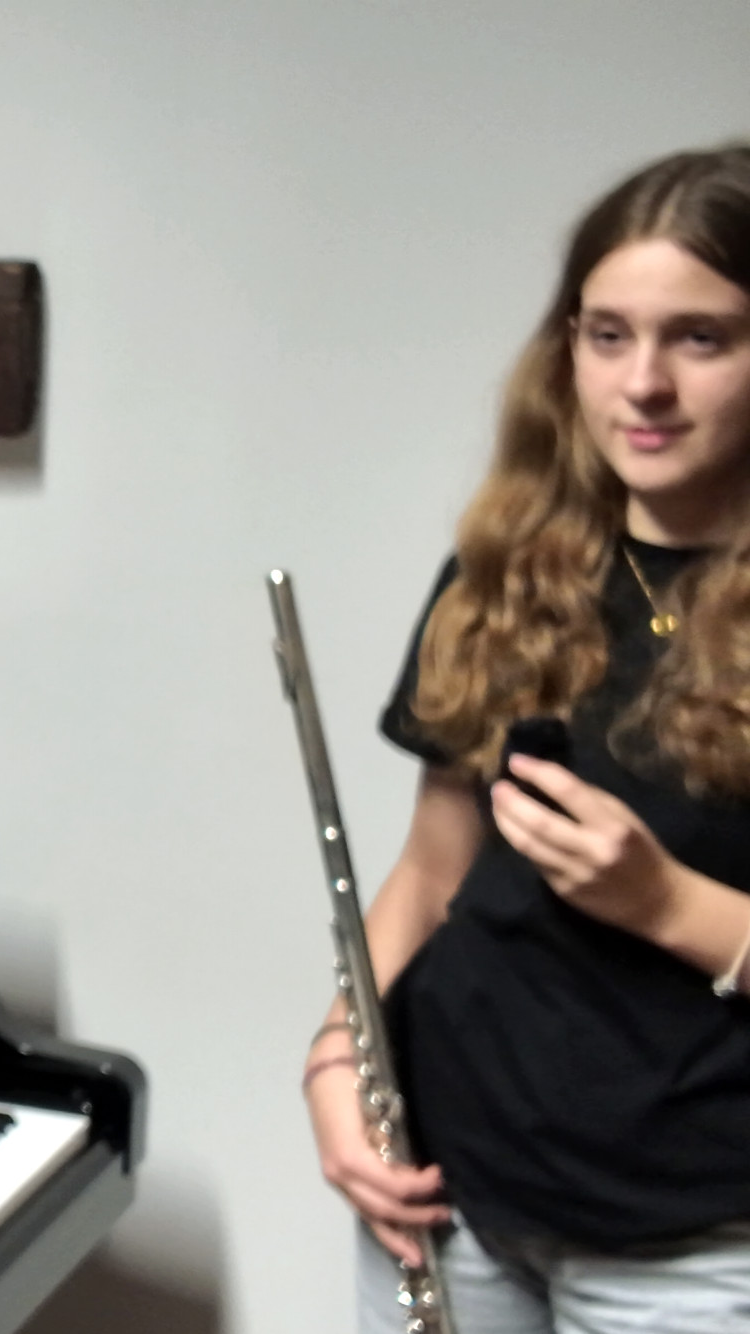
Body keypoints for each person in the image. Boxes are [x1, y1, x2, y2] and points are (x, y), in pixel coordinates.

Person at [305, 144, 750, 1331]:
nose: (641, 383)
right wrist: (335, 1055)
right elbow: (430, 875)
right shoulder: (510, 570)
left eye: (699, 337)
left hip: (698, 1241)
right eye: (606, 335)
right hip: (450, 1193)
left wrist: (665, 902)